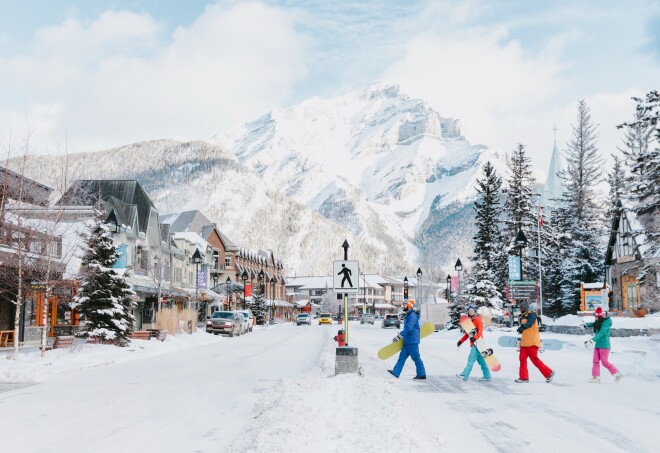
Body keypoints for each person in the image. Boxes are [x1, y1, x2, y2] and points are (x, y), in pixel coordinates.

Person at [515, 302, 555, 383]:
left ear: (526, 308)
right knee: (522, 359)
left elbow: (529, 324)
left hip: (532, 342)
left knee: (535, 360)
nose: (521, 310)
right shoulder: (523, 316)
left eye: (522, 308)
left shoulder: (532, 315)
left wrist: (522, 327)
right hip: (524, 342)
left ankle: (549, 373)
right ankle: (523, 378)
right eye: (520, 309)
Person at [388, 299, 426, 380]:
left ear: (409, 305)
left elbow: (409, 328)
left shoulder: (412, 316)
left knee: (416, 357)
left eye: (405, 305)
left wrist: (399, 336)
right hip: (407, 340)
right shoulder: (409, 315)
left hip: (412, 341)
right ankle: (396, 372)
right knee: (402, 357)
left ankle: (422, 374)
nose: (403, 306)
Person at [583, 307, 623, 383]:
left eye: (596, 316)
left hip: (604, 345)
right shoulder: (599, 321)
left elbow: (601, 333)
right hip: (598, 345)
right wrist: (585, 324)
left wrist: (592, 340)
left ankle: (618, 374)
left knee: (604, 362)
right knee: (595, 361)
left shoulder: (606, 323)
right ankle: (596, 378)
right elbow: (593, 324)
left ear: (599, 316)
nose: (595, 318)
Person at [456, 305, 491, 382]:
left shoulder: (478, 319)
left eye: (472, 310)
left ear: (474, 311)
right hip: (476, 343)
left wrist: (474, 338)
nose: (470, 311)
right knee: (482, 361)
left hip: (478, 343)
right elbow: (467, 334)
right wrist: (461, 341)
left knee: (470, 359)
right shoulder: (469, 321)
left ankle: (464, 375)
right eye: (469, 310)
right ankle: (487, 376)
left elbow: (480, 331)